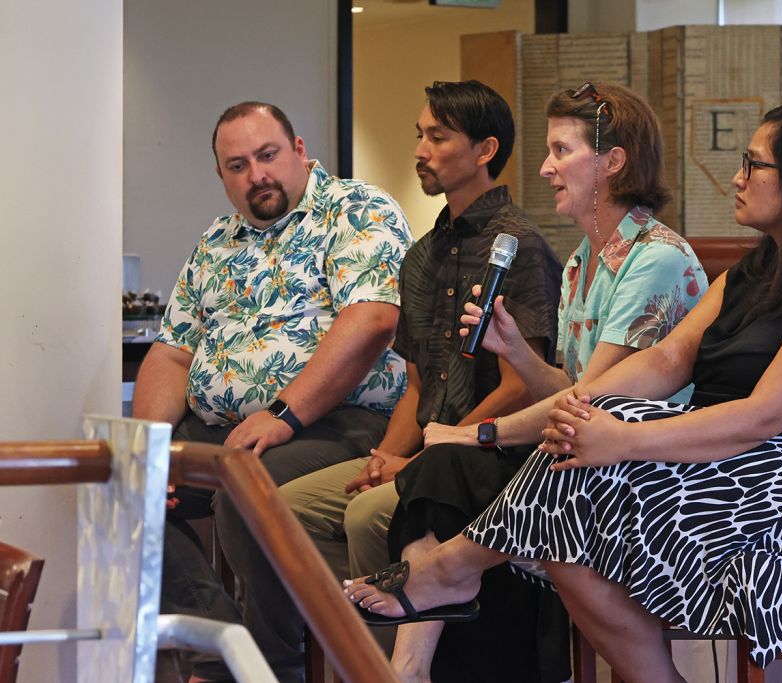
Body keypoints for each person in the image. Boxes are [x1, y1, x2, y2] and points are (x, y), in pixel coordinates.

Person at [344, 100, 782, 683]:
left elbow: (763, 415)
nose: (738, 177)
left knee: (592, 456)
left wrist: (621, 437)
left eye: (754, 165)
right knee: (571, 514)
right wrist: (565, 420)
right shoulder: (754, 271)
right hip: (734, 459)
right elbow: (665, 359)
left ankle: (451, 567)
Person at [374, 82, 707, 683]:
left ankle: (417, 655)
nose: (545, 166)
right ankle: (416, 661)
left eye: (561, 150)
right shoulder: (582, 261)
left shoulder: (656, 257)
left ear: (612, 162)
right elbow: (569, 383)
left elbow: (593, 399)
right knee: (441, 469)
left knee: (448, 464)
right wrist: (513, 352)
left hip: (645, 473)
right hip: (581, 452)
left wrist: (477, 434)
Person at [270, 80, 562, 676]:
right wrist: (385, 454)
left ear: (484, 150)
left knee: (361, 515)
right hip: (425, 447)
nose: (421, 150)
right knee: (285, 508)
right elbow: (417, 387)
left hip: (486, 455)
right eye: (419, 135)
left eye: (438, 136)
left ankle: (397, 666)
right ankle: (361, 657)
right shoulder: (422, 254)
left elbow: (519, 386)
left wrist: (427, 452)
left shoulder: (520, 244)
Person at [133, 101, 413, 683]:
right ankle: (225, 662)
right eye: (237, 165)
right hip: (222, 426)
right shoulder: (216, 239)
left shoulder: (357, 211)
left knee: (244, 493)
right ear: (221, 177)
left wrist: (284, 413)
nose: (256, 175)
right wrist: (152, 448)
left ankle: (274, 668)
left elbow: (371, 323)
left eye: (267, 156)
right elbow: (173, 350)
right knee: (129, 491)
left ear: (300, 150)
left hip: (336, 421)